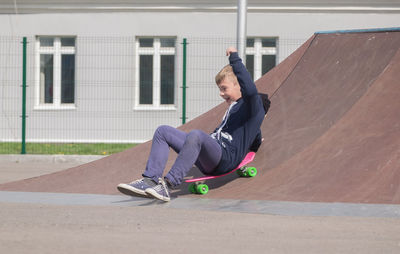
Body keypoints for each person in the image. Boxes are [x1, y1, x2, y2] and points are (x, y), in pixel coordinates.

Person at [117, 47, 270, 202]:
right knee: (163, 131)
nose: (221, 94)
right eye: (220, 89)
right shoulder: (236, 110)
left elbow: (250, 90)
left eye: (224, 89)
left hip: (224, 158)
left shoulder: (252, 105)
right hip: (211, 154)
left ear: (239, 85)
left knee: (196, 135)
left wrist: (234, 58)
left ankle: (168, 185)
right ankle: (151, 179)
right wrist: (256, 144)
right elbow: (254, 134)